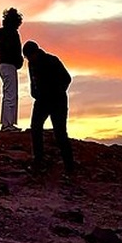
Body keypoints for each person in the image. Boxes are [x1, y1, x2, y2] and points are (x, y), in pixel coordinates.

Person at [22, 40, 75, 174]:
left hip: (57, 101)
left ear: (35, 52)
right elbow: (32, 81)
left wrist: (57, 92)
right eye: (27, 57)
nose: (28, 59)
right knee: (35, 128)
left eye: (29, 56)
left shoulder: (51, 60)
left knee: (60, 133)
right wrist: (34, 93)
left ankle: (70, 166)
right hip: (42, 101)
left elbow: (67, 78)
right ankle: (38, 160)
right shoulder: (31, 64)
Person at [0, 8, 24, 131]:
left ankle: (7, 123)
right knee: (11, 94)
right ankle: (8, 124)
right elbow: (14, 50)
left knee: (8, 93)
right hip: (9, 65)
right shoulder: (11, 33)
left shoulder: (2, 34)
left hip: (3, 65)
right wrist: (18, 61)